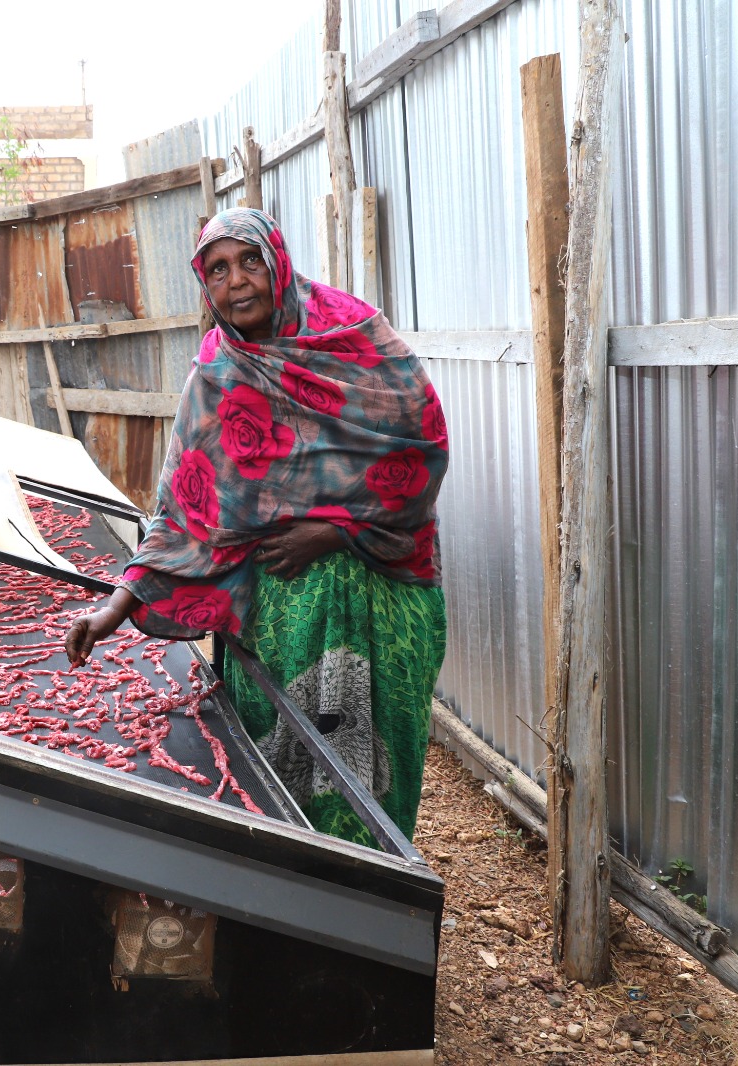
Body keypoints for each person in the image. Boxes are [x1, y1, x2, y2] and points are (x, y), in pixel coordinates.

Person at [63, 207, 449, 847]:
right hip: (279, 625)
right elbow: (183, 510)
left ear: (277, 262)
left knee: (369, 786)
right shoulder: (217, 374)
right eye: (217, 270)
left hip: (382, 597)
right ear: (204, 286)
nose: (237, 281)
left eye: (249, 261)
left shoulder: (352, 337)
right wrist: (113, 608)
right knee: (278, 787)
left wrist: (336, 532)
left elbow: (423, 450)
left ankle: (373, 920)